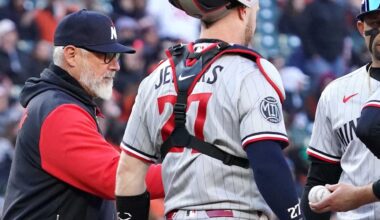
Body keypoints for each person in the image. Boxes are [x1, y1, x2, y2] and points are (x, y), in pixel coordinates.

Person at [115, 0, 303, 220]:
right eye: (255, 11)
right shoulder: (250, 72)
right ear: (243, 11)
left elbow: (128, 171)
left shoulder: (154, 78)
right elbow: (268, 164)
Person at [2, 9, 164, 220]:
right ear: (71, 55)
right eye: (106, 56)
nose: (116, 66)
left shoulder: (59, 101)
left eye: (116, 57)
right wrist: (188, 172)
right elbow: (116, 178)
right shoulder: (59, 110)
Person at [301, 0, 380, 219]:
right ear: (361, 28)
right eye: (375, 22)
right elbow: (319, 178)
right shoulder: (335, 93)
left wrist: (360, 196)